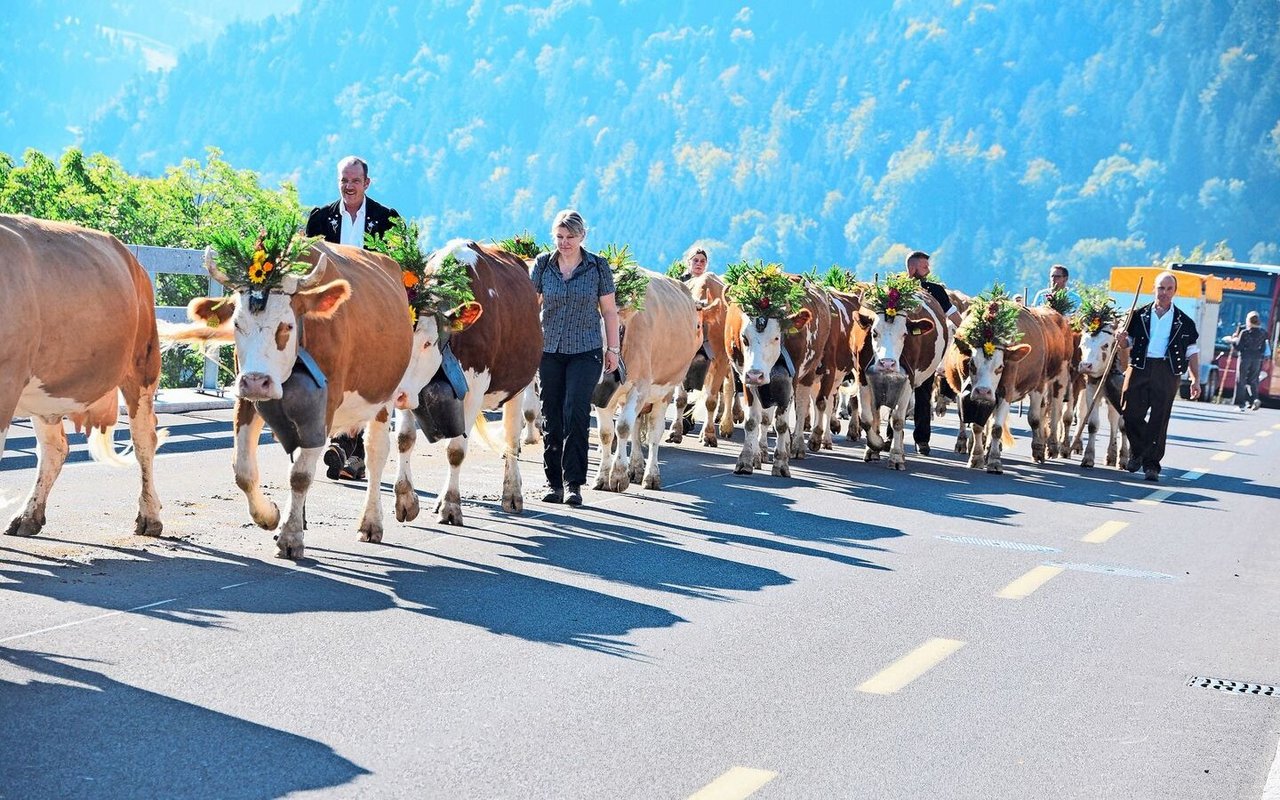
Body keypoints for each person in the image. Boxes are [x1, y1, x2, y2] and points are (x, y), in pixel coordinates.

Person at [305, 155, 401, 481]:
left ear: (366, 183)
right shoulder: (319, 220)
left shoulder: (387, 220)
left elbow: (394, 271)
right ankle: (346, 450)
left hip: (371, 311)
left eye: (354, 181)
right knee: (336, 369)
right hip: (333, 311)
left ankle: (345, 448)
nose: (348, 186)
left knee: (362, 374)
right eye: (344, 181)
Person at [530, 209, 621, 507]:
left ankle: (573, 484)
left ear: (583, 236)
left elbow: (609, 311)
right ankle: (553, 483)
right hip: (549, 349)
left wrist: (613, 350)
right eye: (559, 237)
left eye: (570, 237)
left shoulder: (597, 267)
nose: (564, 243)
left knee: (576, 412)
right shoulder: (543, 265)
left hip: (586, 350)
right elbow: (532, 307)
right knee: (551, 415)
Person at [1121, 270, 1201, 482]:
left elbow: (1191, 352)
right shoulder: (1138, 315)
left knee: (1159, 417)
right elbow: (1127, 342)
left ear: (1175, 291)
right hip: (1139, 366)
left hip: (1167, 371)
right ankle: (1139, 451)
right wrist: (1122, 340)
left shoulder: (1185, 321)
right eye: (1161, 288)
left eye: (1169, 289)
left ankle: (1151, 465)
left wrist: (1195, 379)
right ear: (1153, 289)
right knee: (1130, 413)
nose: (1164, 292)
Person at [905, 251, 962, 456]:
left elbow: (951, 314)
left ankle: (922, 439)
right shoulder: (896, 290)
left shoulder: (935, 290)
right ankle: (889, 435)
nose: (928, 269)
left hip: (927, 352)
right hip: (900, 350)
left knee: (923, 393)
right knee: (896, 394)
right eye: (924, 266)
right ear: (912, 268)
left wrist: (966, 332)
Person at [1225, 311, 1269, 410]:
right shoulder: (1263, 333)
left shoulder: (1244, 332)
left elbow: (1239, 347)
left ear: (1248, 320)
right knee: (1253, 380)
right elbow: (1263, 349)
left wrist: (1232, 340)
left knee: (1241, 380)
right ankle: (1254, 399)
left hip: (1245, 358)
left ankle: (1240, 404)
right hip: (1257, 359)